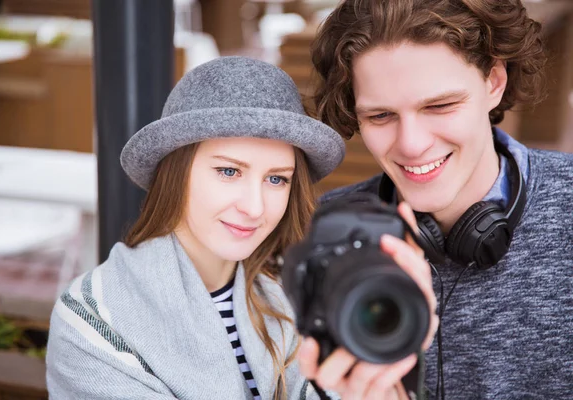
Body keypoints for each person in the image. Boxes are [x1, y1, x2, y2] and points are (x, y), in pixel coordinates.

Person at [45, 56, 436, 400]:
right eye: (229, 171)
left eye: (277, 179)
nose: (254, 207)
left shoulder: (300, 293)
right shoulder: (94, 321)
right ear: (175, 173)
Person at [304, 0, 573, 399]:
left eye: (440, 105)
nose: (412, 145)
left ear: (493, 82)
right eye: (380, 116)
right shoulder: (318, 235)